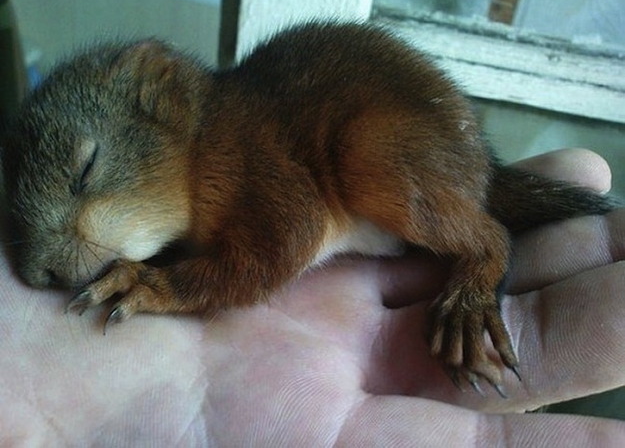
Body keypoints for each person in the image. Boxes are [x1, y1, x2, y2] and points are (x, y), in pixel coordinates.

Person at [0, 149, 623, 446]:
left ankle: (481, 256)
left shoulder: (227, 160)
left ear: (157, 94)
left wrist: (167, 287)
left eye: (85, 174)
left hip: (395, 165)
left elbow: (268, 257)